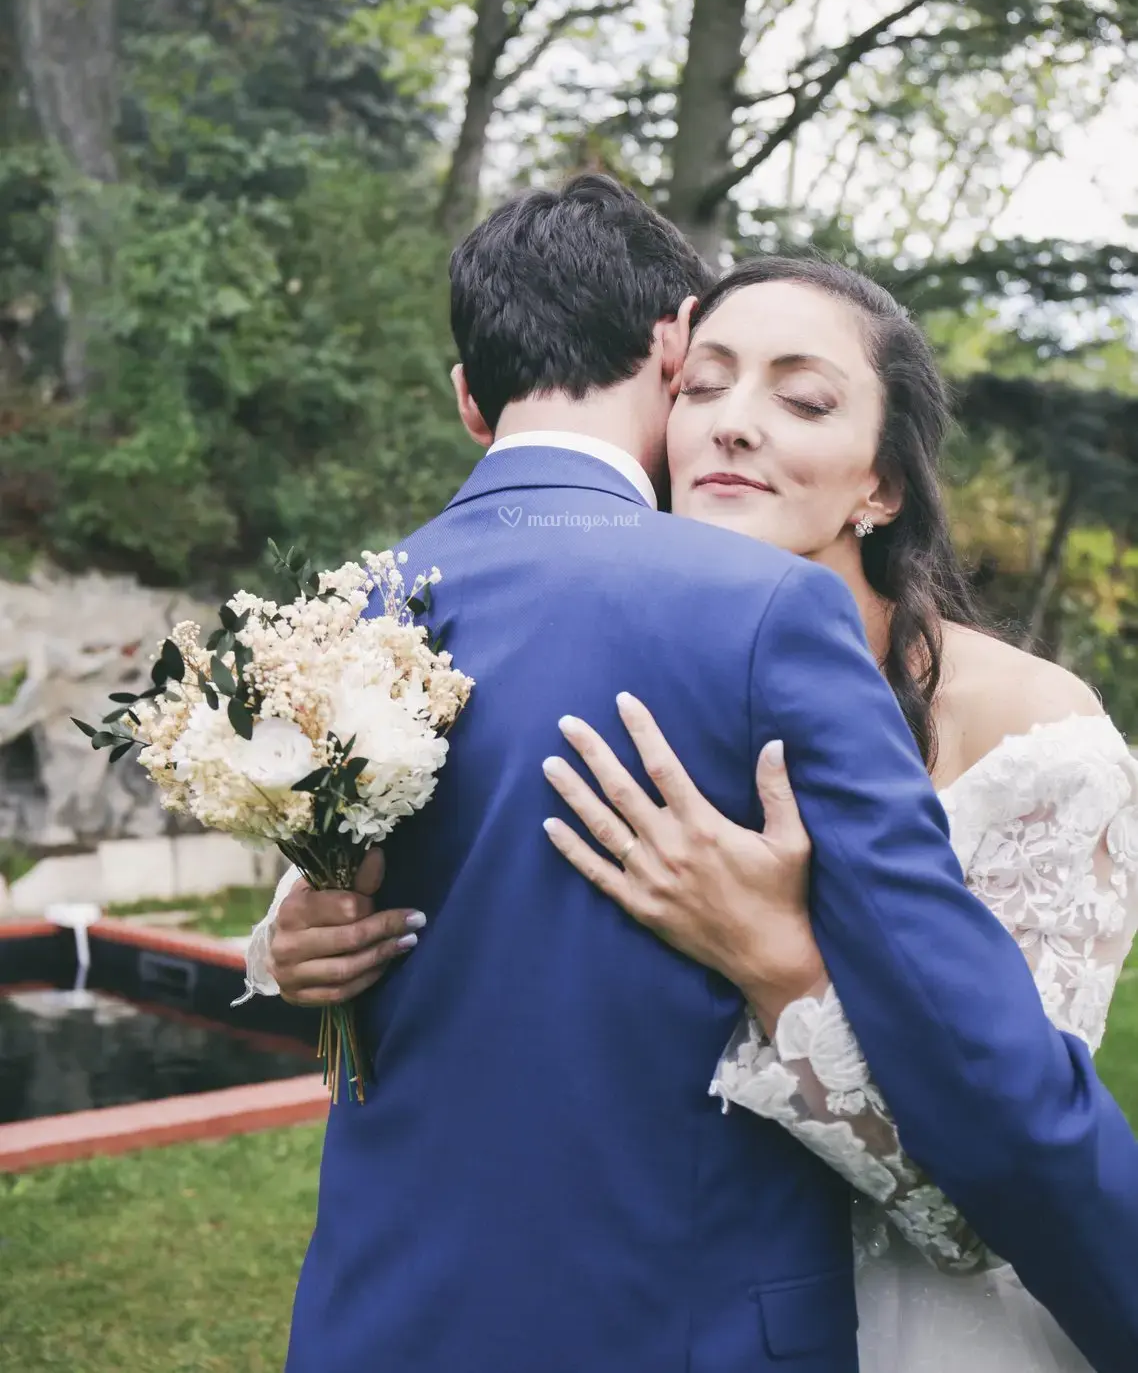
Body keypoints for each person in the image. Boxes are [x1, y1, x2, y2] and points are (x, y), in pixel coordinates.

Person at [247, 180, 1138, 1373]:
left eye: (803, 397)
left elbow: (1003, 1131)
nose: (730, 423)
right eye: (701, 384)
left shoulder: (1027, 722)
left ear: (881, 484)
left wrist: (778, 961)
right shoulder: (617, 624)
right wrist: (293, 930)